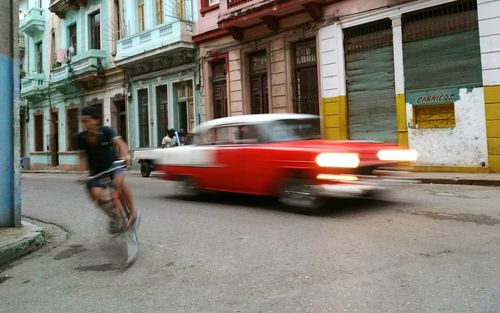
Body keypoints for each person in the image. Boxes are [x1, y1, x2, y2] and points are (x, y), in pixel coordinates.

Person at [77, 106, 136, 233]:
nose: (85, 124)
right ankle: (115, 216)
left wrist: (125, 155)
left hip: (113, 166)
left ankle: (132, 212)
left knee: (118, 182)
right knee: (96, 196)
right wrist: (82, 174)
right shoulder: (81, 138)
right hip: (96, 172)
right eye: (83, 121)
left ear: (96, 120)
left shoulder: (106, 131)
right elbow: (82, 157)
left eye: (87, 120)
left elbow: (120, 144)